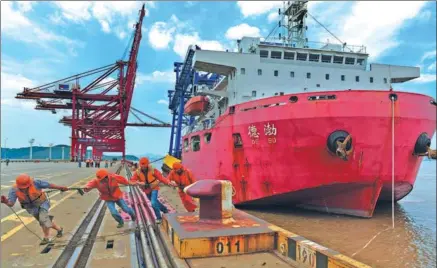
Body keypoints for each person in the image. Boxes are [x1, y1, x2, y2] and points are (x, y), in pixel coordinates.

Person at [1, 174, 68, 245]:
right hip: (31, 208)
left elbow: (49, 185)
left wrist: (60, 187)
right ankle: (59, 229)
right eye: (22, 187)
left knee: (43, 219)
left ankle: (46, 237)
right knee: (45, 221)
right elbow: (11, 204)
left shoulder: (36, 183)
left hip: (42, 203)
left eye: (26, 186)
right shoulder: (14, 190)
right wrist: (5, 201)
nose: (24, 189)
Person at [130, 157, 177, 224]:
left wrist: (168, 182)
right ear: (140, 165)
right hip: (146, 190)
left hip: (154, 187)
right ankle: (165, 210)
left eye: (145, 165)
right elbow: (131, 180)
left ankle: (158, 218)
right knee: (156, 202)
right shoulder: (137, 172)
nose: (143, 167)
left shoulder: (153, 170)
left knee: (153, 203)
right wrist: (138, 183)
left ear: (148, 164)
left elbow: (161, 178)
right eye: (142, 165)